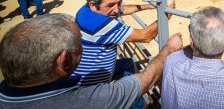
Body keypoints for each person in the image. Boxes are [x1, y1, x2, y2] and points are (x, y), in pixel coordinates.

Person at [0, 13, 183, 108]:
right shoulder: (89, 100)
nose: (84, 47)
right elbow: (146, 79)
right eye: (80, 45)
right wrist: (169, 49)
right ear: (63, 61)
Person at [72, 0, 176, 87]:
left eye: (119, 3)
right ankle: (137, 101)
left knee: (127, 64)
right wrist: (165, 15)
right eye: (111, 5)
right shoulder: (102, 25)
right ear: (93, 5)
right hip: (91, 86)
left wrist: (148, 6)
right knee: (130, 71)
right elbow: (145, 36)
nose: (117, 10)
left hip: (84, 74)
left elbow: (123, 9)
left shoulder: (84, 11)